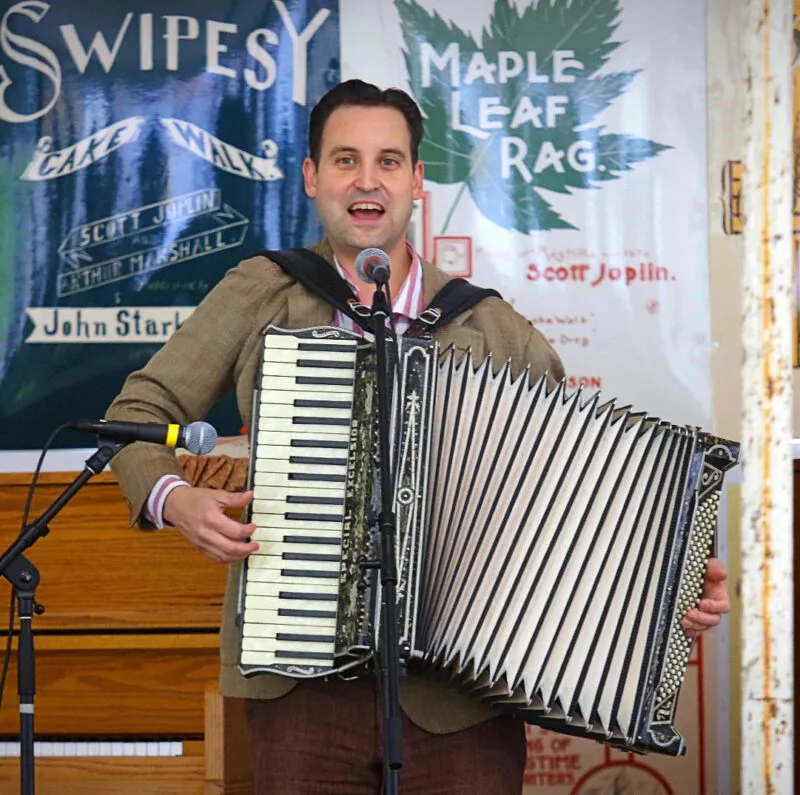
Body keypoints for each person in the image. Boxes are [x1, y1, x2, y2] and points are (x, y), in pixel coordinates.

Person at [106, 79, 730, 794]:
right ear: (313, 177)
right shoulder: (264, 292)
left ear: (416, 181)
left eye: (389, 161)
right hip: (299, 692)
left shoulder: (489, 326)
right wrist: (174, 497)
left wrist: (672, 576)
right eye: (345, 159)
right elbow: (137, 411)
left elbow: (580, 496)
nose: (367, 180)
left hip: (458, 702)